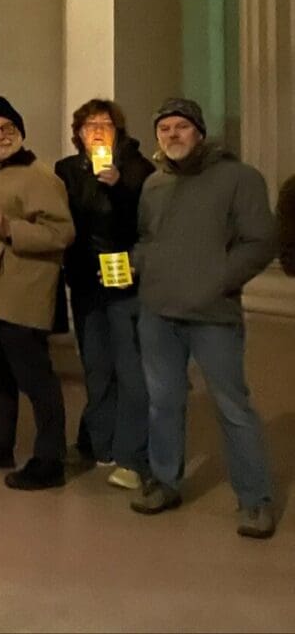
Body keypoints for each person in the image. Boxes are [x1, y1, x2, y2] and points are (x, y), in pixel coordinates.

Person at [130, 98, 278, 539]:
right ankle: (164, 481)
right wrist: (139, 264)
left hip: (213, 314)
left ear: (199, 131)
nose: (171, 135)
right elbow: (145, 237)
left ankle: (255, 500)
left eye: (180, 127)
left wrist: (216, 280)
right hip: (158, 312)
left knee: (232, 406)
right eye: (163, 129)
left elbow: (259, 241)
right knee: (163, 403)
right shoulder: (155, 184)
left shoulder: (239, 178)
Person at [0, 96, 75, 490]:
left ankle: (50, 457)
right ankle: (0, 444)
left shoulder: (39, 176)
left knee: (35, 378)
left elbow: (61, 232)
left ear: (20, 133)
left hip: (22, 292)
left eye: (7, 129)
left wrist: (9, 227)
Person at [54, 99, 154, 490]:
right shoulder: (66, 170)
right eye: (88, 124)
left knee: (129, 368)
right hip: (84, 280)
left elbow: (145, 223)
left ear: (118, 130)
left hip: (125, 279)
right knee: (95, 366)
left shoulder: (137, 168)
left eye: (104, 124)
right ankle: (100, 443)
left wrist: (120, 189)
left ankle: (132, 452)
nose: (96, 130)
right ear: (78, 133)